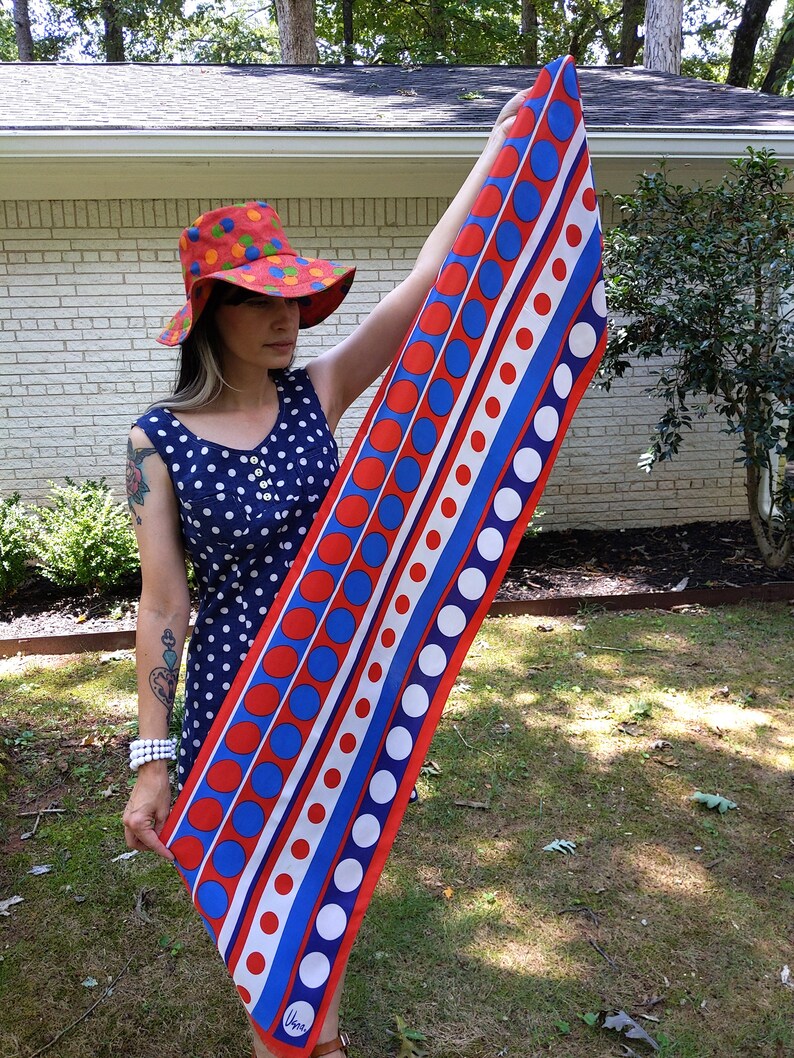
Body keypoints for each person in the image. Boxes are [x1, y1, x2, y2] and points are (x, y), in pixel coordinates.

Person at [122, 88, 529, 1058]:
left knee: (329, 864)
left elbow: (426, 283)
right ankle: (299, 1031)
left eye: (291, 299)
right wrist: (151, 754)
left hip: (337, 674)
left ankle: (315, 1029)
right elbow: (163, 601)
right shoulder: (157, 440)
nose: (285, 318)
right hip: (237, 691)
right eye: (258, 300)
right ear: (209, 313)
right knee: (260, 874)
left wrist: (498, 146)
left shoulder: (320, 392)